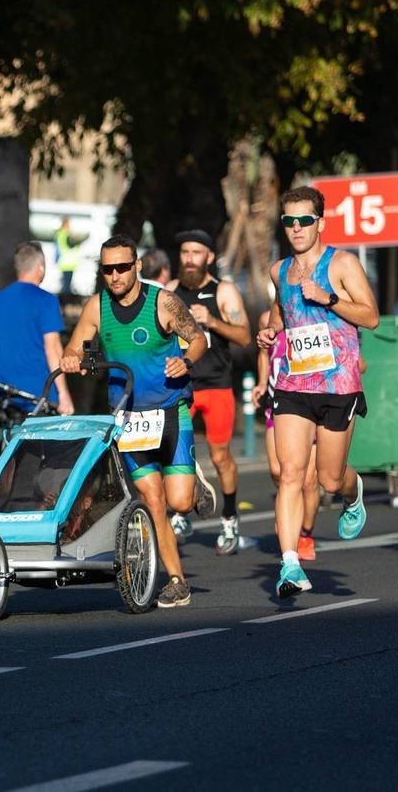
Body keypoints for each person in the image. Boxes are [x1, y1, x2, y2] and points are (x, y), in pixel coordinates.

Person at [59, 234, 206, 608]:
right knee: (154, 501)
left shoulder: (163, 302)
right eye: (107, 269)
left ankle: (194, 485)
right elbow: (74, 346)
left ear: (137, 266)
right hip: (129, 418)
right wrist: (72, 358)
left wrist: (186, 361)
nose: (115, 275)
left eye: (122, 267)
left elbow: (198, 338)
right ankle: (176, 581)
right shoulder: (97, 307)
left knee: (181, 503)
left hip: (172, 411)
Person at [255, 187, 379, 597]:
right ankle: (289, 565)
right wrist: (271, 330)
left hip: (337, 383)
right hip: (293, 382)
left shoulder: (342, 263)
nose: (296, 228)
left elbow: (371, 316)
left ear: (320, 223)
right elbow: (282, 310)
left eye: (304, 220)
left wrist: (328, 298)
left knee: (328, 478)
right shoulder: (279, 271)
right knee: (290, 474)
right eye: (288, 221)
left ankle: (352, 489)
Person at [173, 229, 252, 554]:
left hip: (217, 385)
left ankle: (230, 517)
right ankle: (182, 511)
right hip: (180, 386)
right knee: (174, 455)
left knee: (220, 457)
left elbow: (246, 337)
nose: (190, 259)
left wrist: (213, 322)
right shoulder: (169, 294)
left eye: (196, 253)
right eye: (185, 252)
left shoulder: (224, 291)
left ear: (208, 257)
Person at [254, 312, 320, 561]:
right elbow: (264, 353)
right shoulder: (268, 320)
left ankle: (305, 533)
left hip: (313, 402)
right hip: (280, 403)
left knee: (308, 480)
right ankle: (289, 505)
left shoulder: (317, 316)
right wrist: (261, 383)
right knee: (277, 471)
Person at [0, 241, 74, 416]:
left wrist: (15, 348)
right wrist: (64, 394)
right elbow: (52, 348)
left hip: (6, 392)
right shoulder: (46, 301)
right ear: (40, 267)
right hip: (40, 394)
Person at [55, 217, 79, 296]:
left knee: (65, 285)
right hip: (68, 262)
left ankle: (64, 301)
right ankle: (65, 302)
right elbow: (71, 245)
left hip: (65, 262)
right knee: (67, 287)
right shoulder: (65, 234)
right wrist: (75, 239)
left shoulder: (59, 234)